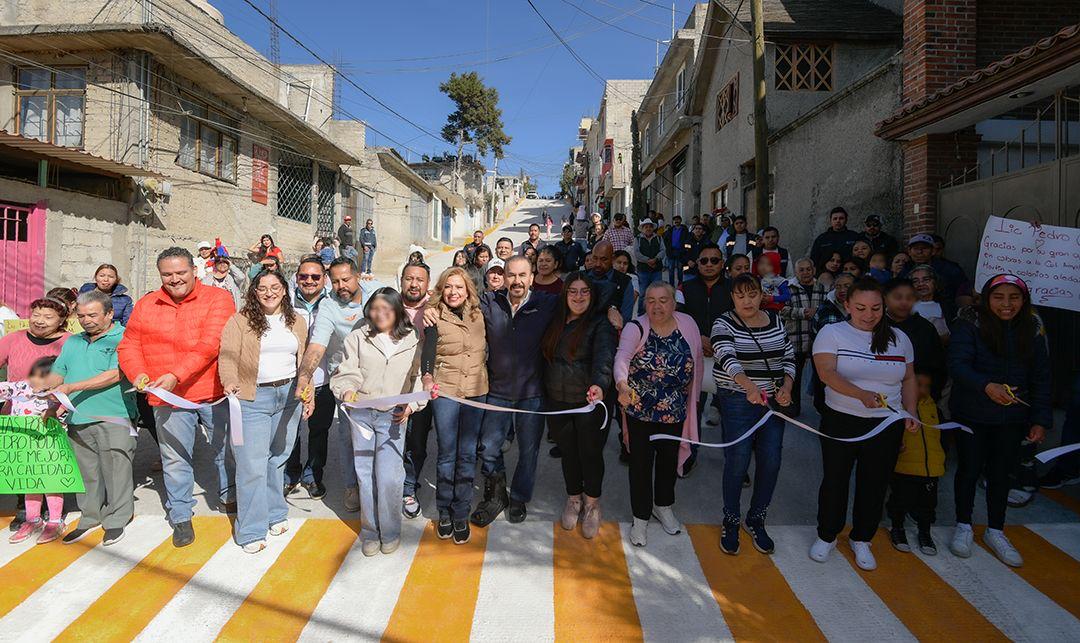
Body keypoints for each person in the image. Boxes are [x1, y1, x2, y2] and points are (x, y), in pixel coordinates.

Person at [117, 247, 236, 548]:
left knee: (224, 449)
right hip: (166, 397)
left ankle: (228, 494)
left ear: (194, 271)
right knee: (174, 458)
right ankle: (181, 515)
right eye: (167, 274)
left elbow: (211, 344)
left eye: (180, 272)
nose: (174, 279)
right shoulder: (145, 304)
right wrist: (139, 375)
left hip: (211, 392)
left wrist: (175, 376)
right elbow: (128, 345)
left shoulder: (218, 299)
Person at [809, 278, 918, 571]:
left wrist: (911, 411)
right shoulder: (832, 333)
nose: (868, 315)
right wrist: (861, 395)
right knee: (835, 479)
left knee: (875, 481)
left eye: (875, 308)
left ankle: (862, 538)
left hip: (886, 424)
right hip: (841, 420)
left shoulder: (900, 338)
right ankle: (827, 534)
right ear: (847, 305)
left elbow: (908, 378)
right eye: (860, 308)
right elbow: (826, 374)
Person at [948, 274, 1050, 568]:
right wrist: (986, 386)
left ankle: (996, 530)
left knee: (1001, 473)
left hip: (1012, 417)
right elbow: (957, 364)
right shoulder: (970, 323)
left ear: (1024, 300)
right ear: (987, 299)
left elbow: (1042, 377)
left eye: (1014, 298)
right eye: (999, 297)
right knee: (968, 470)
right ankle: (963, 525)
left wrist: (1040, 419)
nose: (1006, 304)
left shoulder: (1032, 328)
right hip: (972, 413)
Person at [218, 270, 309, 554]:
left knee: (278, 458)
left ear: (284, 289)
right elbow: (227, 356)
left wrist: (308, 393)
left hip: (289, 396)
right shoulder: (240, 320)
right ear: (254, 292)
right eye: (262, 288)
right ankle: (251, 529)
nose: (269, 293)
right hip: (252, 397)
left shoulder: (297, 320)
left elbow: (305, 360)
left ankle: (274, 513)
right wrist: (229, 381)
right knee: (252, 465)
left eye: (275, 287)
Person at [332, 287, 426, 556]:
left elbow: (417, 376)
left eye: (386, 308)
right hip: (362, 414)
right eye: (375, 308)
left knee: (388, 476)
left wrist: (413, 403)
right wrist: (347, 389)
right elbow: (346, 371)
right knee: (365, 474)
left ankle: (391, 530)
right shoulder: (358, 337)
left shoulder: (411, 339)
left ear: (397, 310)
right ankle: (370, 531)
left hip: (394, 415)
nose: (380, 314)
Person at [44, 290, 138, 546]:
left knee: (116, 471)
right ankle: (90, 515)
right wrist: (44, 391)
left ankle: (117, 519)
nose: (87, 320)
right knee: (87, 472)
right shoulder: (73, 342)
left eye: (93, 315)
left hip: (114, 415)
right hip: (78, 418)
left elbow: (115, 374)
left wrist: (72, 388)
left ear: (109, 314)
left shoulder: (123, 338)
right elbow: (59, 372)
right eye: (82, 315)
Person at [471, 257, 559, 526]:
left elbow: (586, 296)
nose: (517, 281)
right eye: (511, 275)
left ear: (532, 277)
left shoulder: (546, 303)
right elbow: (456, 302)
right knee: (487, 448)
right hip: (497, 390)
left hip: (531, 393)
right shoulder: (490, 302)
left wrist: (612, 308)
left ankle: (519, 496)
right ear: (504, 277)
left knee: (529, 450)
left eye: (523, 275)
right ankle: (497, 493)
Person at [711, 274, 795, 555]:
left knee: (771, 459)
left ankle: (756, 518)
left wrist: (787, 386)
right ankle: (731, 519)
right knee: (738, 459)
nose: (747, 300)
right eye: (740, 295)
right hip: (737, 399)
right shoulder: (723, 322)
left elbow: (789, 357)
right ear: (732, 297)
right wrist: (748, 387)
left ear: (761, 295)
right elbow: (726, 357)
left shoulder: (776, 321)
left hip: (772, 401)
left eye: (752, 294)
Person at [614, 282, 703, 547]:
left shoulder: (687, 324)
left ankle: (663, 506)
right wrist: (622, 384)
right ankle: (640, 517)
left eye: (663, 300)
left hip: (675, 410)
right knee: (640, 465)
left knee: (667, 462)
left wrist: (693, 397)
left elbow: (696, 359)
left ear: (673, 304)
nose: (657, 306)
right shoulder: (636, 327)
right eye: (651, 300)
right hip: (640, 410)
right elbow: (622, 359)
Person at [295, 258, 385, 514]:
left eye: (346, 279)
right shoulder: (329, 306)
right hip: (346, 380)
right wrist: (305, 376)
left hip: (379, 377)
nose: (341, 286)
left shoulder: (377, 291)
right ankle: (351, 485)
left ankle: (380, 483)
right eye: (335, 281)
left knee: (381, 433)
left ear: (358, 276)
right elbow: (317, 345)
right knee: (348, 435)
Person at [542, 272, 615, 538]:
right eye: (573, 291)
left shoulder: (600, 323)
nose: (579, 296)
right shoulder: (554, 321)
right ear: (565, 295)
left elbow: (604, 357)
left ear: (592, 295)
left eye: (585, 291)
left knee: (590, 454)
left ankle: (592, 503)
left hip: (588, 403)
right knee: (569, 453)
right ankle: (574, 498)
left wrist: (599, 384)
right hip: (557, 401)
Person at [419, 267, 488, 544]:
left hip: (475, 391)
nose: (454, 292)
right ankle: (444, 510)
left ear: (468, 289)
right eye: (448, 287)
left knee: (468, 454)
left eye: (459, 287)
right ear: (441, 290)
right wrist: (426, 376)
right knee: (448, 454)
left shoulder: (479, 313)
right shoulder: (434, 316)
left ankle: (461, 512)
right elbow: (428, 351)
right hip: (445, 391)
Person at [285, 256, 333, 500]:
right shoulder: (284, 302)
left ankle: (313, 475)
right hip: (291, 379)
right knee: (290, 430)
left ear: (324, 279)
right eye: (304, 276)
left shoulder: (334, 302)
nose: (309, 281)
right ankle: (290, 474)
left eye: (316, 277)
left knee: (318, 431)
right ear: (297, 277)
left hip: (324, 380)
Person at [3, 357, 63, 544]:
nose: (36, 381)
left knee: (52, 484)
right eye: (34, 375)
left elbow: (64, 411)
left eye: (43, 376)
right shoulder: (22, 388)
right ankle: (33, 520)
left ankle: (55, 520)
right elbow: (5, 388)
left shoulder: (58, 395)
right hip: (25, 447)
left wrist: (56, 411)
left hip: (50, 446)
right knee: (31, 483)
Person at [886, 372, 944, 555]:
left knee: (928, 504)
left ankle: (925, 532)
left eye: (927, 386)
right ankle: (897, 528)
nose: (923, 390)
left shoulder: (934, 408)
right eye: (919, 385)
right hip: (905, 466)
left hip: (930, 469)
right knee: (900, 500)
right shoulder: (898, 407)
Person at [399, 263, 433, 519]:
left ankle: (408, 488)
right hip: (390, 388)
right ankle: (389, 485)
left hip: (421, 386)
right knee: (390, 442)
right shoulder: (387, 304)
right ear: (401, 281)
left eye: (419, 280)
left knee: (416, 442)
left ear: (427, 284)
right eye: (409, 279)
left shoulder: (436, 310)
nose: (414, 284)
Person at [780, 258, 827, 416]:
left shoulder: (821, 287)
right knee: (794, 376)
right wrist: (803, 312)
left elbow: (826, 309)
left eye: (808, 269)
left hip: (817, 342)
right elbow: (781, 309)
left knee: (821, 377)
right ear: (796, 271)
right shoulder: (787, 287)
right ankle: (792, 407)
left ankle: (821, 406)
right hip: (795, 340)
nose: (805, 272)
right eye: (802, 270)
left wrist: (818, 312)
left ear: (813, 270)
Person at [883, 278, 946, 397]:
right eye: (898, 297)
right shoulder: (874, 325)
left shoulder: (925, 328)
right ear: (885, 298)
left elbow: (938, 366)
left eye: (909, 298)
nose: (904, 302)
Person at [906, 233, 969, 306]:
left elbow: (964, 290)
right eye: (916, 248)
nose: (920, 252)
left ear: (933, 251)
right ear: (909, 251)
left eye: (924, 248)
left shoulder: (950, 269)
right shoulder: (905, 269)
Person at [590, 241, 634, 326]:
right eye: (595, 258)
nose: (598, 264)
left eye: (604, 259)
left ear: (613, 258)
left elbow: (626, 319)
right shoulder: (582, 278)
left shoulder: (625, 282)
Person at [909, 264, 951, 341]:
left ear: (935, 282)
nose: (921, 284)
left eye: (926, 280)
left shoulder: (947, 306)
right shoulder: (905, 306)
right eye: (915, 281)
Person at [633, 218, 666, 314]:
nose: (648, 229)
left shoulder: (659, 238)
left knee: (657, 292)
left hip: (657, 270)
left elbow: (663, 250)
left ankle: (656, 311)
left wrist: (656, 259)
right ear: (642, 229)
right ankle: (641, 313)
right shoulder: (638, 239)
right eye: (646, 227)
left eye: (650, 227)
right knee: (643, 293)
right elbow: (637, 253)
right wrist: (647, 260)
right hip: (643, 270)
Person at [663, 215, 689, 285]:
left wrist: (685, 249)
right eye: (675, 220)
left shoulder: (684, 230)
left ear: (680, 221)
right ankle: (671, 285)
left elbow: (687, 240)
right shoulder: (670, 230)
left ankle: (680, 285)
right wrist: (667, 248)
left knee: (680, 269)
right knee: (671, 269)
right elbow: (665, 239)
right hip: (671, 252)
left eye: (678, 220)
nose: (676, 221)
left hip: (680, 252)